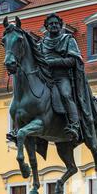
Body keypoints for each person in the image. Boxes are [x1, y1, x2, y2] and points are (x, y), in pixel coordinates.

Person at [39, 13, 82, 142]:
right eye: (51, 24)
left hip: (62, 76)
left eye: (56, 23)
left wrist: (53, 62)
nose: (54, 25)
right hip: (45, 78)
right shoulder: (40, 44)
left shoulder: (68, 40)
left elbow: (73, 61)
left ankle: (74, 125)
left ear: (61, 25)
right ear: (46, 27)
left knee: (65, 95)